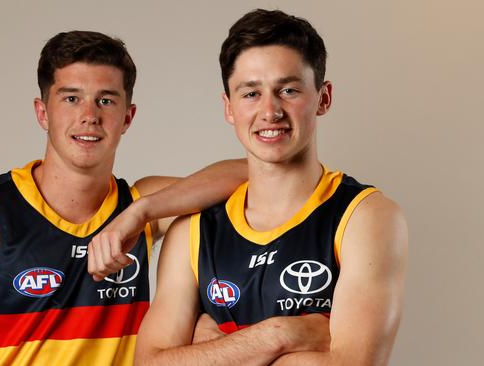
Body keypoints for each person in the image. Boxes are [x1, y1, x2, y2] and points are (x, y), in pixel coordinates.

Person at [0, 30, 247, 365]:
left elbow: (258, 175)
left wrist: (141, 212)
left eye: (105, 100)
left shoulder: (138, 204)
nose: (89, 115)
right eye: (71, 98)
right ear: (42, 112)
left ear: (127, 117)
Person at [135, 9, 408, 366]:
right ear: (228, 108)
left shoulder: (366, 217)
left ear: (323, 98)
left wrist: (210, 351)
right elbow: (149, 363)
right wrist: (279, 335)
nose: (270, 111)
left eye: (289, 90)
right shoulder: (193, 229)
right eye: (250, 94)